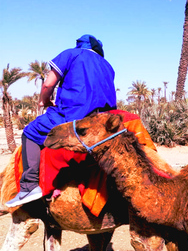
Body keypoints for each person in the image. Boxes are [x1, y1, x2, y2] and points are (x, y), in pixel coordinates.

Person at [6, 34, 117, 207]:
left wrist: (44, 101)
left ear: (80, 45)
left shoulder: (71, 54)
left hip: (73, 116)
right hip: (103, 119)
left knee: (29, 131)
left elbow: (48, 84)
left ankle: (29, 186)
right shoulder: (108, 66)